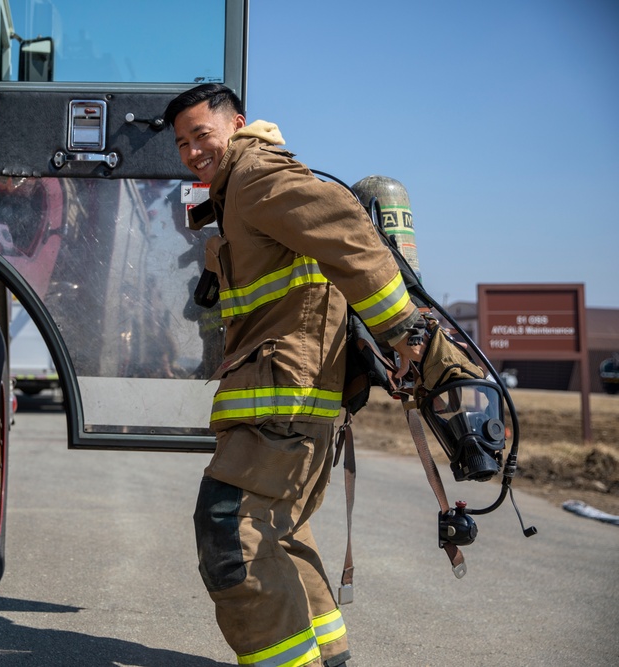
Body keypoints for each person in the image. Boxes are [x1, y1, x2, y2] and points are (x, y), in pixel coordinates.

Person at [163, 83, 425, 667]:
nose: (192, 152)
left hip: (284, 399)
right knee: (279, 528)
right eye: (182, 143)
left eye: (202, 135)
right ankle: (328, 653)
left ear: (236, 125)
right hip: (287, 397)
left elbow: (349, 235)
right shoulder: (235, 190)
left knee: (233, 531)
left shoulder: (254, 174)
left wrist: (406, 333)